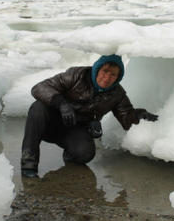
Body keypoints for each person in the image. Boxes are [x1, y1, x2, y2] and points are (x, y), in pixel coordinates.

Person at [20, 54, 158, 178]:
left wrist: (139, 115)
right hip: (49, 124)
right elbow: (39, 88)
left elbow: (127, 118)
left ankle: (70, 154)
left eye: (113, 75)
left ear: (118, 77)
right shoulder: (77, 75)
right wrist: (62, 104)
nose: (107, 77)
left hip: (74, 130)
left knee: (85, 153)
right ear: (97, 69)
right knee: (38, 108)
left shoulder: (117, 94)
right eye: (105, 71)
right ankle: (28, 164)